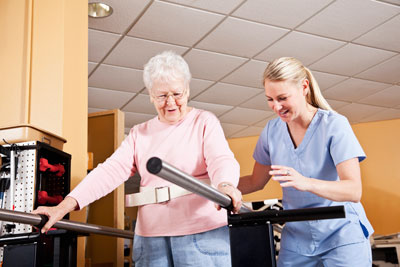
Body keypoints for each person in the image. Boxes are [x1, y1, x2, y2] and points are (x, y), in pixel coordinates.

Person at [33, 50, 242, 267]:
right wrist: (63, 207)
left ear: (187, 90)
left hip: (201, 234)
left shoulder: (204, 122)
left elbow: (221, 159)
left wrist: (226, 185)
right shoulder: (139, 133)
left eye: (177, 94)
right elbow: (109, 172)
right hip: (151, 240)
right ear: (151, 95)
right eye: (161, 96)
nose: (170, 102)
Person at [237, 57, 373, 266]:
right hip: (298, 238)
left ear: (304, 87)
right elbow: (255, 181)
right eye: (270, 99)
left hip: (341, 233)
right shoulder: (271, 132)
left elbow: (353, 190)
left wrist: (306, 182)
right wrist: (218, 186)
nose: (276, 106)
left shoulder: (334, 125)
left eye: (282, 97)